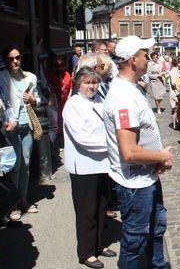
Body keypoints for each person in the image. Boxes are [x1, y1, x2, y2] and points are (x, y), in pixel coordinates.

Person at [103, 36, 173, 268]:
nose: (149, 58)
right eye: (145, 54)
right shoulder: (124, 97)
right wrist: (161, 156)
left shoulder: (130, 89)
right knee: (135, 241)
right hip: (135, 185)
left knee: (155, 230)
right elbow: (129, 152)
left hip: (145, 179)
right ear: (134, 60)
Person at [63, 66, 116, 269]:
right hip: (84, 166)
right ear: (78, 84)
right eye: (87, 82)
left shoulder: (100, 101)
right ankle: (86, 252)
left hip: (103, 163)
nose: (91, 86)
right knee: (87, 210)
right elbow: (82, 138)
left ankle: (99, 244)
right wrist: (112, 144)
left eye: (94, 82)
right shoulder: (73, 105)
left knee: (102, 206)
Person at [0, 46, 41, 221]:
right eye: (10, 58)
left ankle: (23, 200)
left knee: (27, 164)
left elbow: (38, 100)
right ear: (5, 60)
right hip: (10, 128)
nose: (15, 61)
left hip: (26, 125)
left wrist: (33, 100)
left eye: (18, 57)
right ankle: (12, 205)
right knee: (14, 166)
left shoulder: (30, 77)